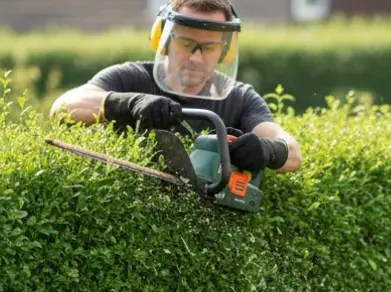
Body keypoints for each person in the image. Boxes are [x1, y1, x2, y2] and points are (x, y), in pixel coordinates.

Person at [49, 0, 302, 174]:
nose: (196, 58)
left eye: (209, 47)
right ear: (163, 39)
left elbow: (293, 153)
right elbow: (62, 108)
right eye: (186, 43)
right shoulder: (132, 78)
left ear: (226, 51)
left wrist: (268, 150)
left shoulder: (240, 98)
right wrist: (129, 103)